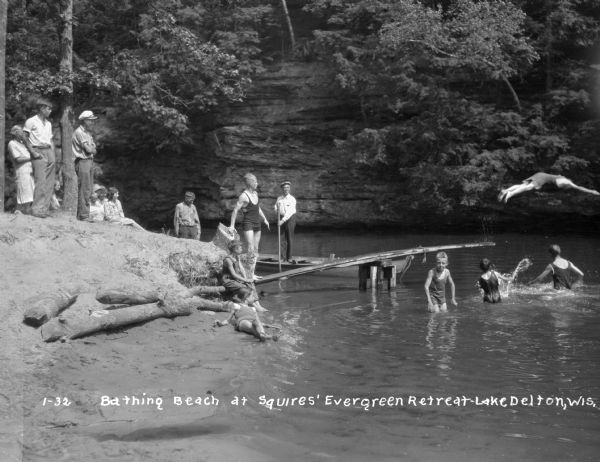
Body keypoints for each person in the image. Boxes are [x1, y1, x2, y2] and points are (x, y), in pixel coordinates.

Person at [23, 98, 56, 218]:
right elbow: (25, 137)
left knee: (50, 181)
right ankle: (36, 209)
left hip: (48, 150)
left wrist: (53, 154)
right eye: (48, 108)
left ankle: (45, 209)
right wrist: (32, 152)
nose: (50, 111)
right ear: (42, 108)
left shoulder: (49, 123)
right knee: (41, 180)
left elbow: (50, 139)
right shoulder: (31, 121)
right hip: (38, 150)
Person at [229, 173, 269, 257]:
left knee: (256, 248)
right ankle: (249, 267)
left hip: (257, 222)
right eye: (255, 182)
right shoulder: (244, 196)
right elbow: (235, 210)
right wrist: (232, 226)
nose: (257, 184)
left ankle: (255, 267)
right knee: (250, 247)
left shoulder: (255, 194)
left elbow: (258, 208)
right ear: (250, 183)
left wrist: (265, 219)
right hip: (248, 223)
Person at [219, 240, 267, 312]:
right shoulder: (228, 260)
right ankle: (255, 307)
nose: (242, 248)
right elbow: (233, 274)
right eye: (240, 247)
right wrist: (246, 280)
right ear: (235, 249)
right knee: (244, 288)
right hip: (228, 280)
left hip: (234, 279)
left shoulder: (237, 257)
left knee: (251, 285)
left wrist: (246, 279)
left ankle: (259, 305)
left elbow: (241, 269)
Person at [498, 172, 600, 203]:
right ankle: (510, 194)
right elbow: (580, 188)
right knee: (528, 188)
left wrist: (592, 191)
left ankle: (505, 190)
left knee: (522, 185)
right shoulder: (568, 182)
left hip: (540, 175)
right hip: (542, 178)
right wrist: (592, 191)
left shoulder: (562, 178)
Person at [72, 110, 98, 220]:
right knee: (84, 188)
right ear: (85, 120)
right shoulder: (79, 132)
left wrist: (92, 149)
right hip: (82, 161)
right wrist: (91, 149)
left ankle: (85, 213)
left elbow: (94, 150)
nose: (92, 122)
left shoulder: (88, 133)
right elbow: (88, 149)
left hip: (89, 161)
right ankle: (83, 214)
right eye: (90, 120)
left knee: (89, 188)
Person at [7, 125, 35, 214]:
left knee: (31, 190)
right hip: (21, 170)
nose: (22, 133)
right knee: (24, 191)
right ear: (15, 133)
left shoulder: (24, 143)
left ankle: (27, 211)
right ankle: (18, 211)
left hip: (30, 170)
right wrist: (32, 158)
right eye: (20, 131)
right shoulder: (12, 143)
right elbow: (18, 159)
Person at [274, 180, 297, 262]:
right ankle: (282, 258)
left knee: (289, 238)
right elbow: (275, 208)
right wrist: (277, 209)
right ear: (282, 189)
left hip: (290, 218)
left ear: (289, 189)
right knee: (281, 238)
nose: (286, 189)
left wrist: (282, 221)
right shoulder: (279, 198)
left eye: (287, 187)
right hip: (281, 217)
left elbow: (290, 212)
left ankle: (289, 258)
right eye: (284, 188)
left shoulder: (292, 199)